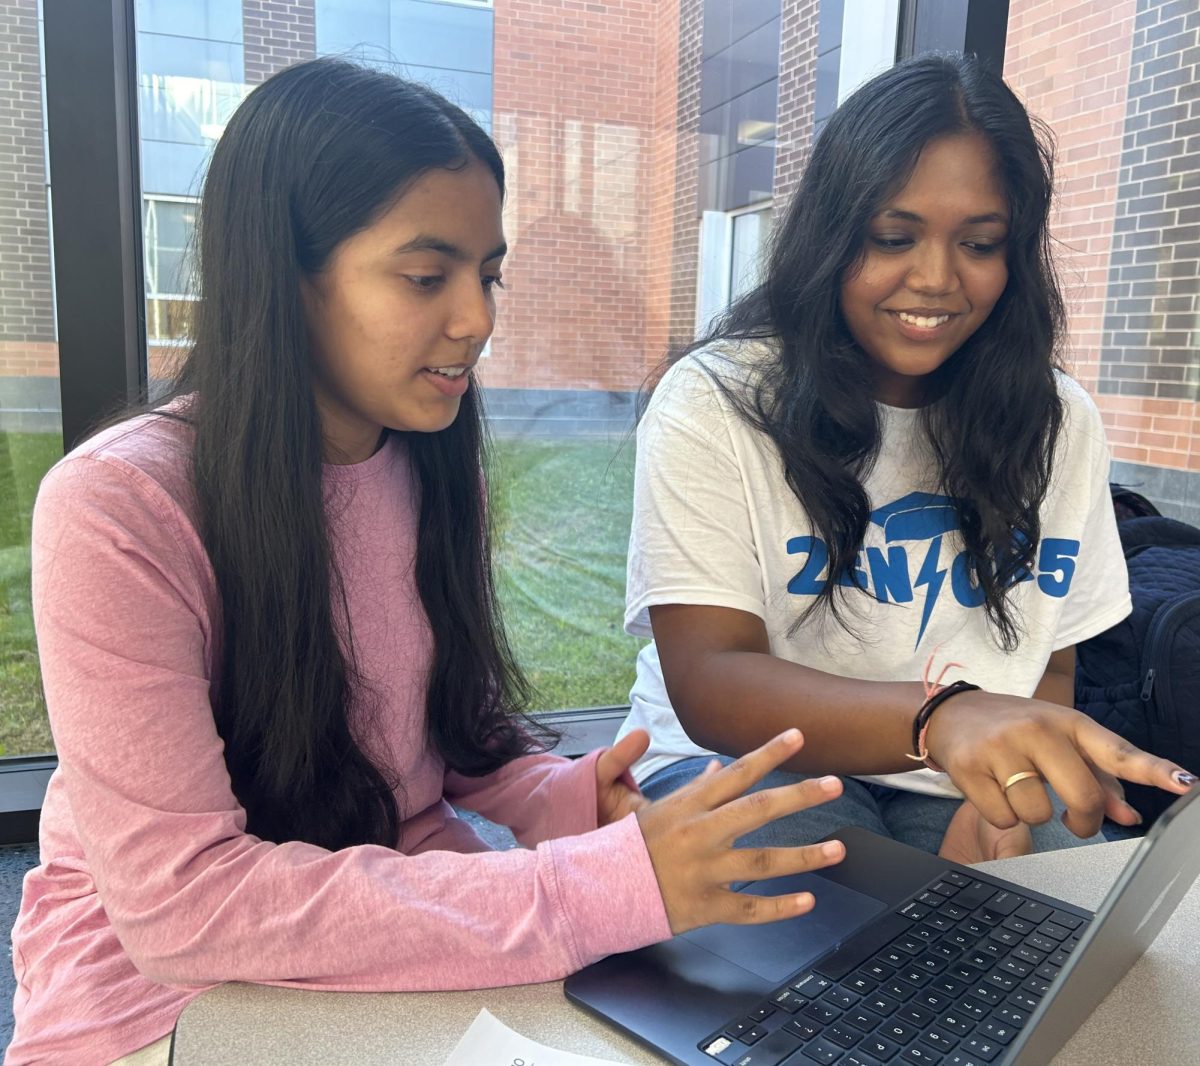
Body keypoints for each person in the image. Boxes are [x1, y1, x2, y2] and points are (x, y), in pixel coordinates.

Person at [6, 58, 850, 1066]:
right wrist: (596, 883)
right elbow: (187, 906)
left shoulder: (431, 465)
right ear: (285, 272)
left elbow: (452, 741)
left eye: (488, 273)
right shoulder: (118, 507)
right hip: (164, 996)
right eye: (426, 275)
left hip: (403, 932)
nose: (478, 318)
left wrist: (575, 800)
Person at [619, 53, 1197, 865]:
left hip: (966, 767)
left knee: (1056, 944)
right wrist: (945, 717)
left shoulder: (1059, 419)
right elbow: (711, 679)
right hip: (747, 759)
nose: (935, 279)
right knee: (823, 947)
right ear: (831, 235)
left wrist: (1012, 792)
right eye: (894, 236)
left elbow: (1050, 652)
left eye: (980, 243)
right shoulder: (715, 399)